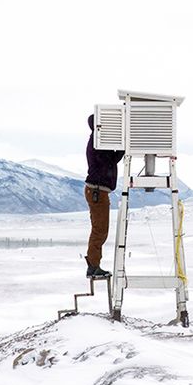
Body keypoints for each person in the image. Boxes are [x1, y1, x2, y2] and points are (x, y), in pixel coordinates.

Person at [84, 113, 123, 278]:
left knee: (99, 229)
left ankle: (94, 264)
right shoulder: (97, 142)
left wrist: (122, 147)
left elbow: (112, 159)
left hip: (97, 191)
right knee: (100, 230)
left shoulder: (98, 142)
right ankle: (93, 266)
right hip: (97, 191)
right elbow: (109, 160)